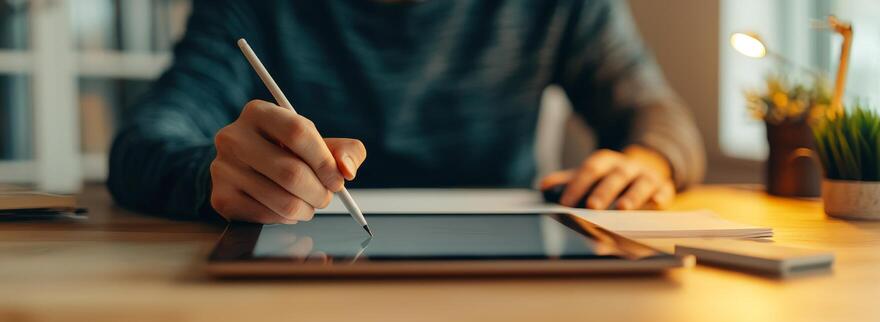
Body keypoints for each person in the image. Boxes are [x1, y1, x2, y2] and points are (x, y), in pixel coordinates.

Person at [108, 0, 705, 223]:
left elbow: (655, 112)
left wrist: (649, 160)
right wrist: (213, 174)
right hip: (301, 285)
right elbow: (144, 140)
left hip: (508, 287)